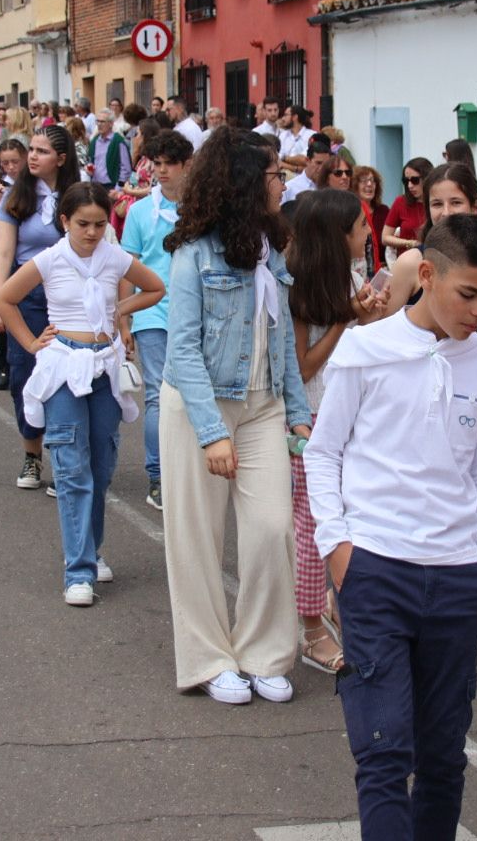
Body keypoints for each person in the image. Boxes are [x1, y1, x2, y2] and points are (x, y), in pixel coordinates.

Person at [304, 214, 477, 838]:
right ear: (427, 274)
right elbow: (324, 452)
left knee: (444, 755)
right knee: (383, 749)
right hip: (375, 569)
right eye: (467, 294)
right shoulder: (365, 350)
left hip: (457, 579)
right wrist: (339, 549)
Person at [160, 126, 312, 706]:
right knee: (196, 540)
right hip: (200, 406)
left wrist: (297, 413)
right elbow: (183, 350)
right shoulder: (193, 254)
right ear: (247, 184)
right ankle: (207, 659)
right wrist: (209, 433)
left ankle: (265, 653)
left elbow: (281, 342)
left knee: (272, 528)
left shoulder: (271, 249)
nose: (284, 181)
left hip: (262, 406)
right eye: (274, 174)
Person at [0, 182, 165, 606]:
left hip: (104, 367)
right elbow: (6, 298)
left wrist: (118, 312)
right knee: (71, 468)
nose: (92, 232)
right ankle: (78, 570)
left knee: (102, 463)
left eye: (100, 224)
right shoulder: (49, 259)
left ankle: (91, 549)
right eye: (83, 224)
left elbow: (156, 288)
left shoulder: (114, 256)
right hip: (63, 366)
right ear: (65, 221)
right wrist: (33, 343)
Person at [285, 188, 389, 674]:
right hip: (312, 422)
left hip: (355, 418)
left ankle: (336, 604)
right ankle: (309, 631)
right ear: (336, 235)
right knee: (313, 529)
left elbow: (360, 341)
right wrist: (348, 320)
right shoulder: (301, 285)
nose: (367, 233)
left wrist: (371, 313)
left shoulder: (350, 274)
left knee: (358, 520)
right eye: (360, 227)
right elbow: (304, 368)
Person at [0, 126, 80, 491]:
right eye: (33, 149)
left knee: (68, 377)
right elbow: (3, 255)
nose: (33, 156)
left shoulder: (76, 195)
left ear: (61, 158)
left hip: (66, 297)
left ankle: (63, 459)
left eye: (42, 150)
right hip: (25, 296)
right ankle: (31, 454)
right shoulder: (14, 196)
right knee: (24, 373)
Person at [119, 130, 193, 511]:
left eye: (169, 164)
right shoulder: (139, 211)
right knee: (157, 396)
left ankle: (187, 468)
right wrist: (124, 318)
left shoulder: (201, 207)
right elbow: (126, 267)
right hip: (151, 311)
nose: (161, 172)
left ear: (187, 166)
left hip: (194, 312)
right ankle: (158, 476)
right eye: (156, 164)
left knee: (191, 391)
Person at [381, 164, 477, 344]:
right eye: (437, 204)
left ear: (474, 206)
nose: (446, 212)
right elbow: (385, 334)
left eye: (456, 202)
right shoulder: (411, 262)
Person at [0, 139, 28, 390]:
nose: (10, 167)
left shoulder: (32, 188)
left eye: (14, 162)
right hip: (4, 256)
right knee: (4, 309)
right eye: (5, 163)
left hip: (27, 259)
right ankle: (4, 361)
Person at [382, 157, 433, 262]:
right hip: (407, 264)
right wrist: (410, 243)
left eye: (415, 180)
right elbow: (385, 237)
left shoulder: (438, 202)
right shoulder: (401, 202)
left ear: (427, 178)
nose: (410, 186)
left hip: (433, 262)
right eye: (406, 181)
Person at [352, 166, 387, 278]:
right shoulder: (352, 213)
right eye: (363, 181)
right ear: (354, 185)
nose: (369, 184)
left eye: (372, 180)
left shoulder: (383, 210)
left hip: (381, 271)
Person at [281, 133, 333, 206]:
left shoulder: (332, 186)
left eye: (326, 164)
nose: (322, 168)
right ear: (307, 161)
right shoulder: (289, 188)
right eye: (318, 163)